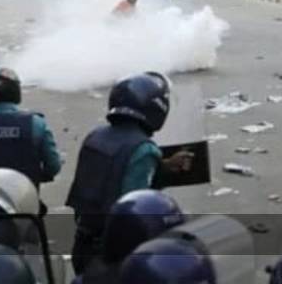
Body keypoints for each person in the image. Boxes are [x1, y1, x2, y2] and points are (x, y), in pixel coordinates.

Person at [65, 73, 194, 275]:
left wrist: (162, 166)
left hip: (83, 243)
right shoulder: (145, 149)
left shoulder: (95, 136)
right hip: (114, 255)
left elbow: (109, 175)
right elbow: (136, 209)